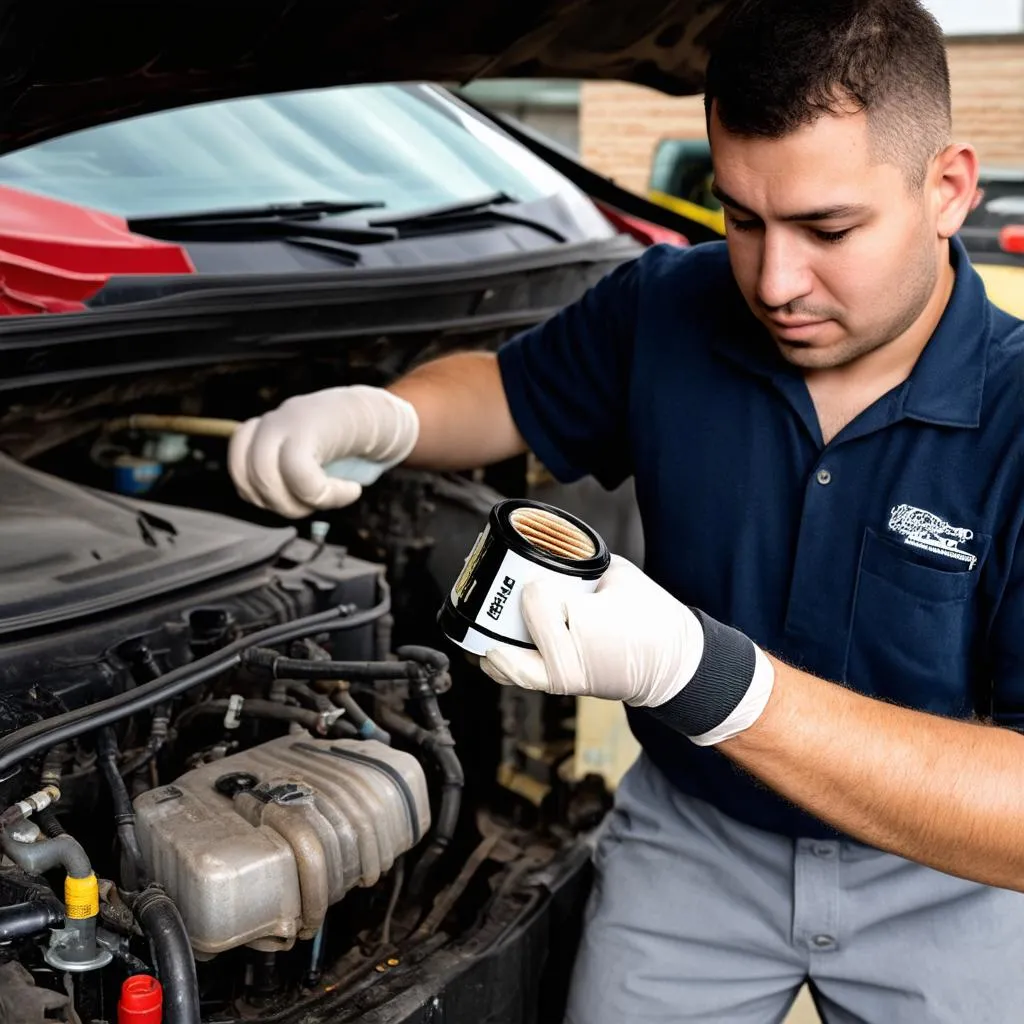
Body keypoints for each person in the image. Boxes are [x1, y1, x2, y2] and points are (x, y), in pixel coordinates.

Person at [227, 1, 1024, 1020]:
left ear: (948, 186)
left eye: (827, 228)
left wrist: (705, 677)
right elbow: (510, 395)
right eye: (741, 217)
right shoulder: (664, 306)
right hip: (694, 835)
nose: (774, 281)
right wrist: (387, 415)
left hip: (938, 862)